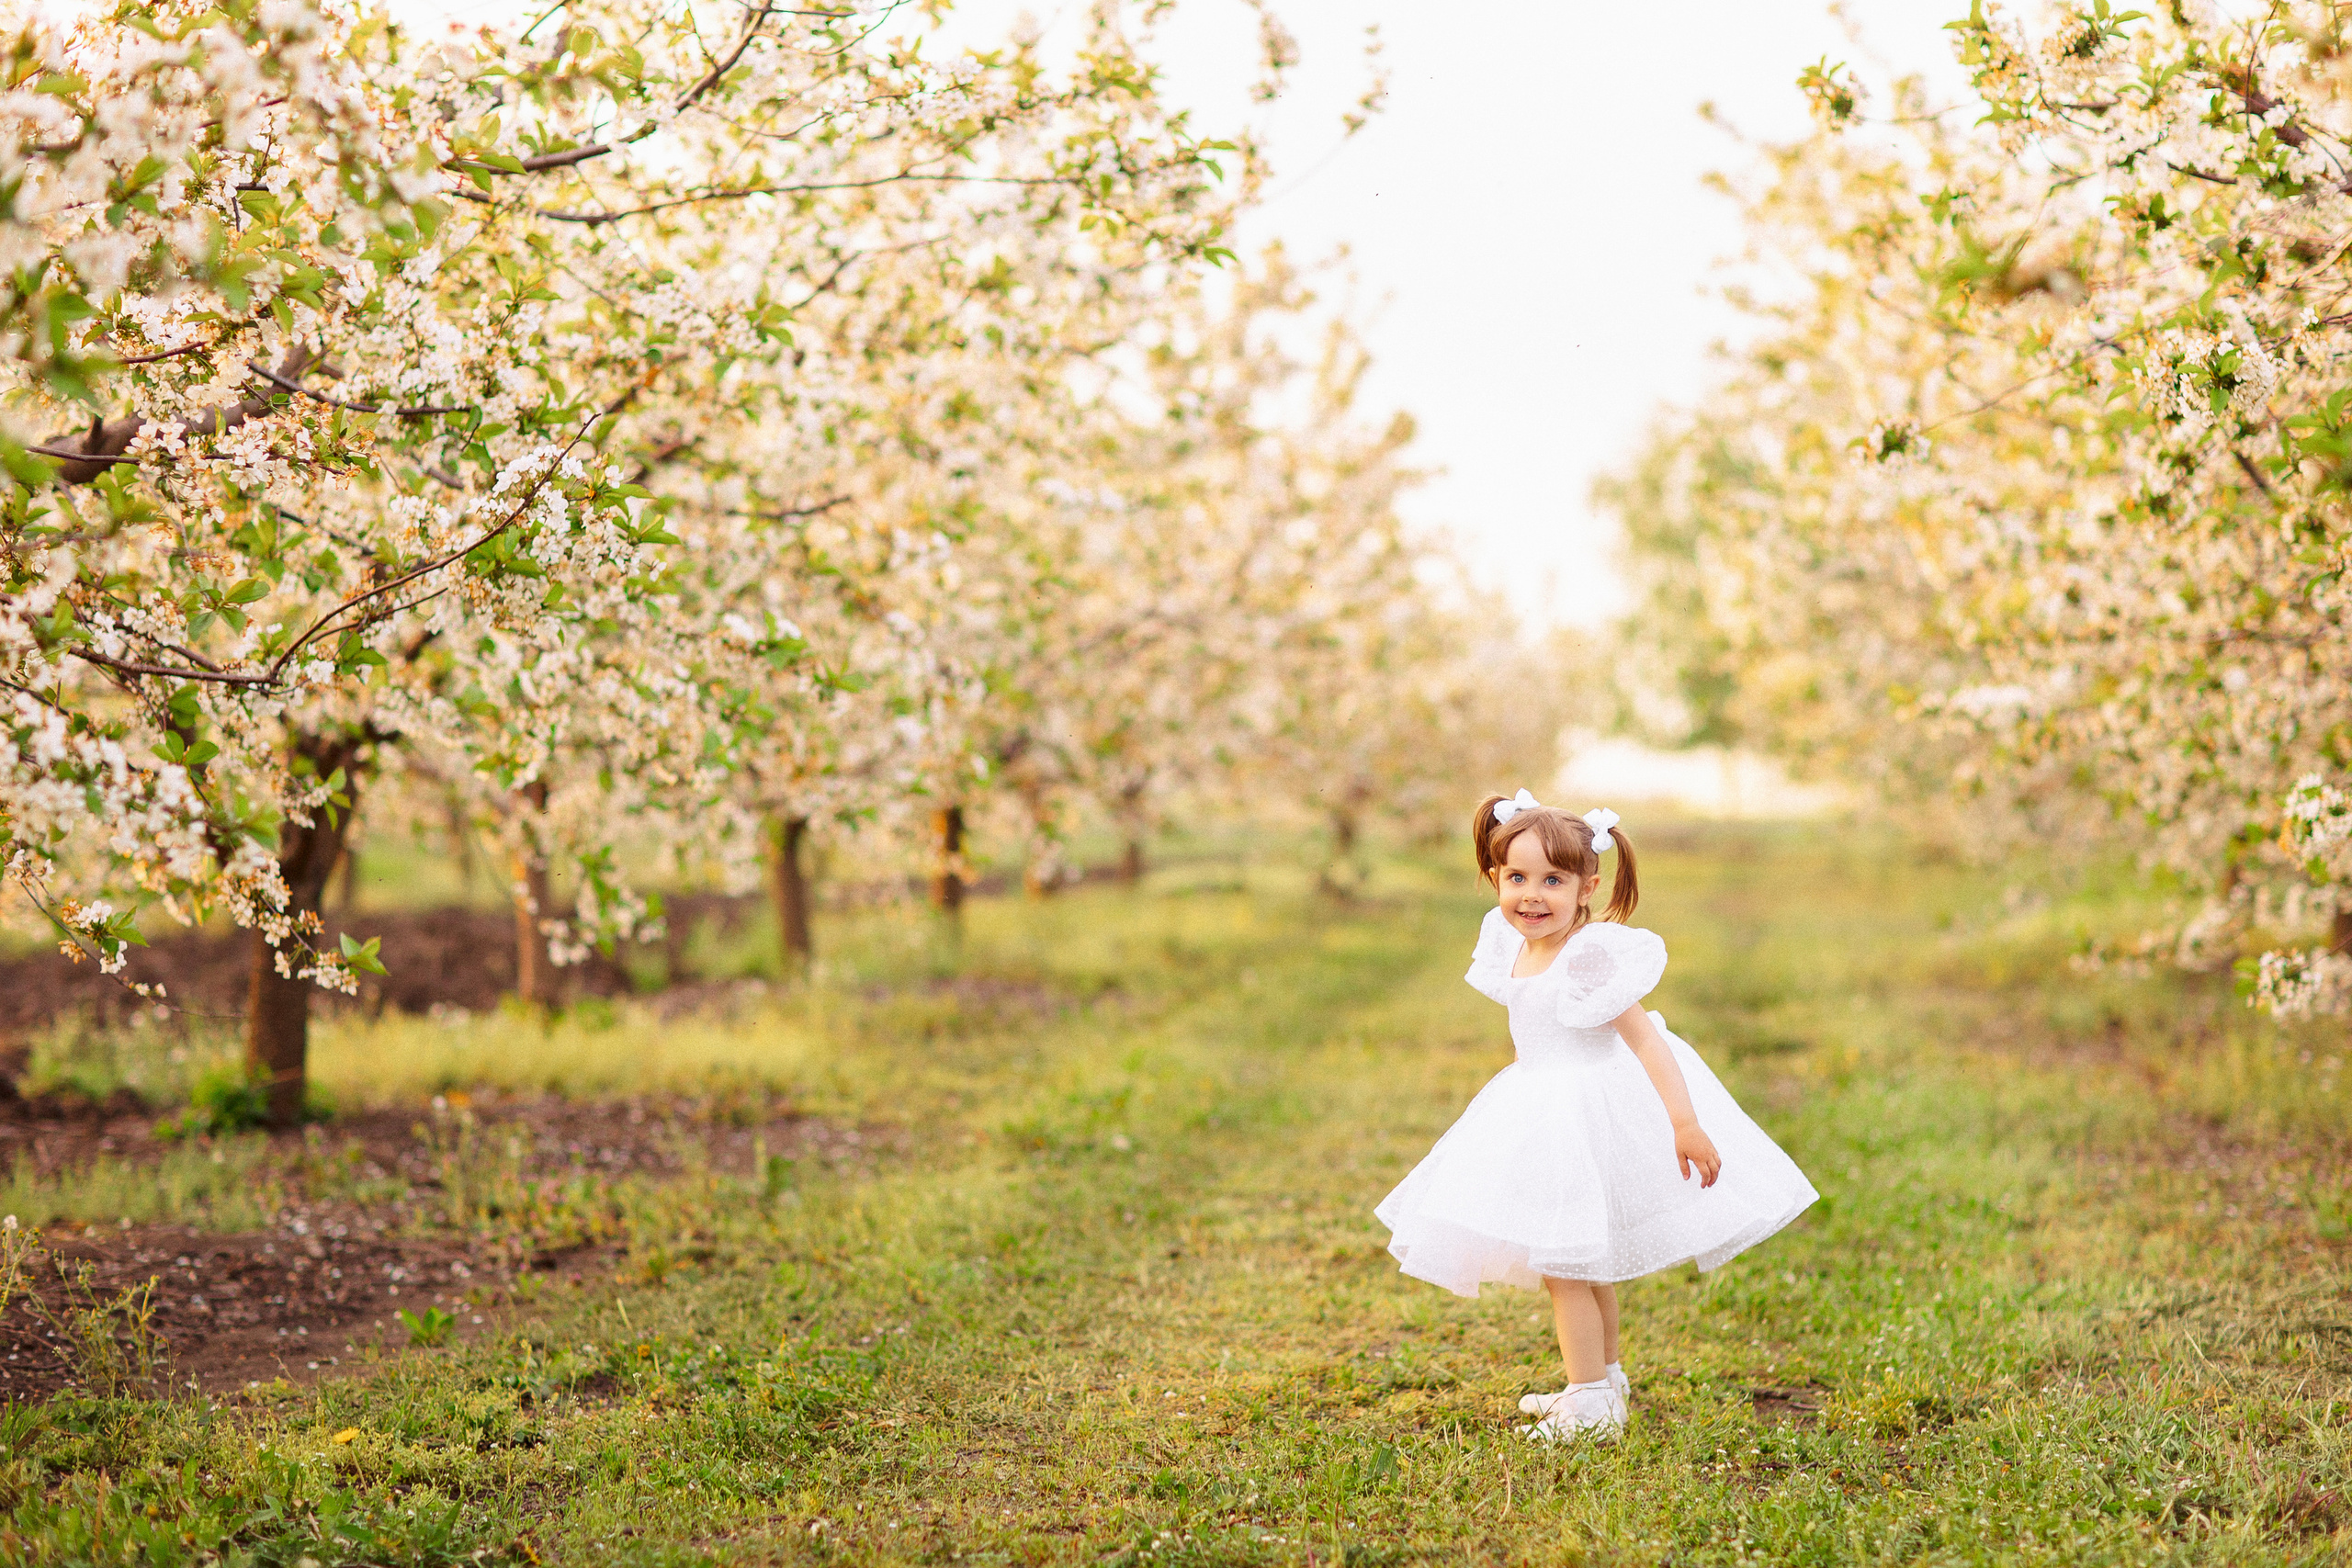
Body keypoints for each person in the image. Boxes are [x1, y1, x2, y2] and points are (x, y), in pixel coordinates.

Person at [1374, 790, 1818, 1440]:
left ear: (1588, 886)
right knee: (1584, 1260)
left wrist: (1685, 1122)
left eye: (1552, 880)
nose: (1532, 895)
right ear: (1496, 878)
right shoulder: (1513, 943)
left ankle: (1588, 1404)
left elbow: (1646, 1040)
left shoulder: (1588, 956)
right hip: (1539, 1103)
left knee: (1566, 1267)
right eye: (1517, 877)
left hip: (1586, 1113)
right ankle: (1603, 1382)